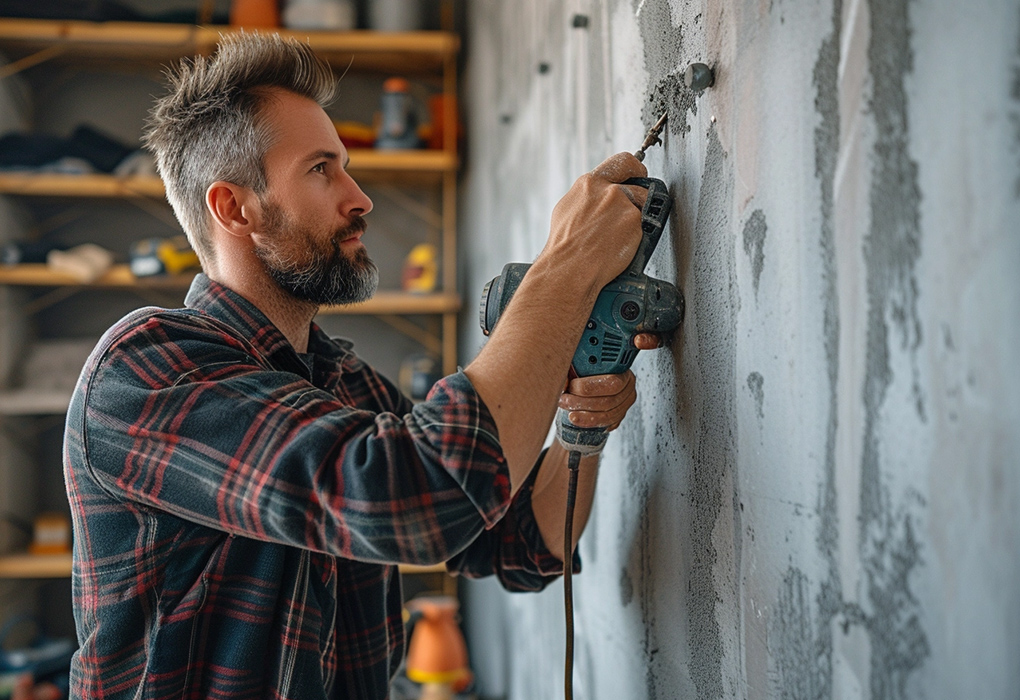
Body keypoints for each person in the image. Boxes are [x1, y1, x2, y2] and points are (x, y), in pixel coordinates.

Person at [62, 32, 655, 699]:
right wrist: (565, 268)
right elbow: (419, 496)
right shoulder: (147, 370)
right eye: (322, 169)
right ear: (235, 207)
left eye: (345, 164)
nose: (360, 196)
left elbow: (518, 542)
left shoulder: (345, 385)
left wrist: (580, 429)